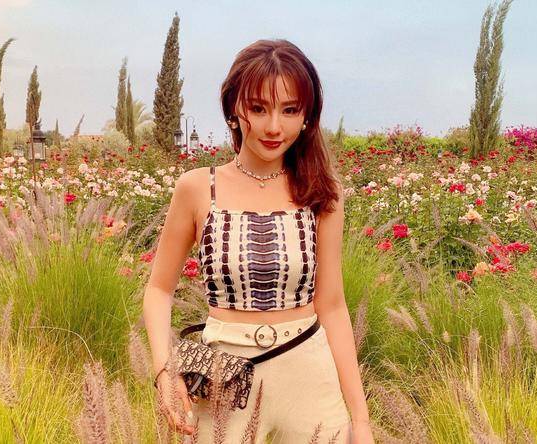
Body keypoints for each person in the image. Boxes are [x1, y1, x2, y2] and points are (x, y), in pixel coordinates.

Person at [143, 39, 374, 443]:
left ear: (307, 116)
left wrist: (362, 420)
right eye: (258, 108)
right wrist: (165, 371)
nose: (273, 127)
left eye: (290, 110)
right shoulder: (197, 188)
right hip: (224, 384)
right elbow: (159, 289)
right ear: (234, 109)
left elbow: (332, 306)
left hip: (310, 380)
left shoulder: (321, 193)